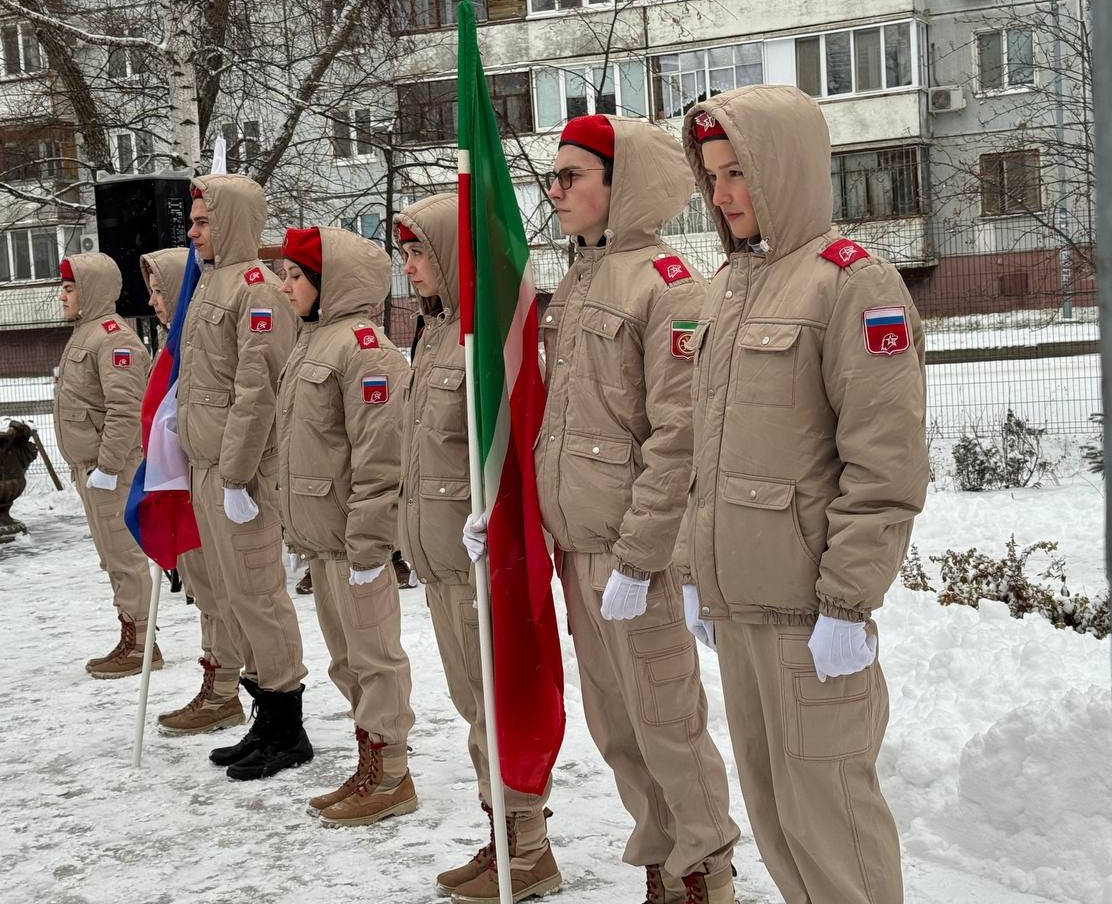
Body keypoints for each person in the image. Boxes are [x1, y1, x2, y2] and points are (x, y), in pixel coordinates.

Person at [470, 115, 741, 904]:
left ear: (622, 186)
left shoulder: (667, 285)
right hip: (580, 550)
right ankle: (664, 862)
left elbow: (677, 437)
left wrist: (640, 557)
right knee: (618, 727)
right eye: (552, 176)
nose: (554, 191)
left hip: (635, 557)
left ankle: (705, 870)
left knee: (667, 723)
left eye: (571, 176)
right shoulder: (582, 278)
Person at [678, 85, 927, 904]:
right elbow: (705, 453)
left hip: (809, 614)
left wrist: (848, 604)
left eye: (739, 173)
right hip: (740, 607)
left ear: (783, 168)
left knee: (833, 825)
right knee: (777, 818)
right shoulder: (726, 286)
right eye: (712, 175)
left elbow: (885, 464)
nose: (722, 194)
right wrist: (694, 572)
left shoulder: (852, 284)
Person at [396, 194, 563, 903]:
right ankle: (508, 837)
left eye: (420, 252)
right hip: (442, 562)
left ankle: (526, 849)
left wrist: (496, 519)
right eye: (404, 254)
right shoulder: (434, 334)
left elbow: (516, 444)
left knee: (498, 708)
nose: (409, 268)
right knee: (475, 707)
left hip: (482, 564)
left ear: (455, 255)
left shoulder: (486, 338)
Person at [277, 225, 417, 827]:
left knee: (374, 658)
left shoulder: (364, 349)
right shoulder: (313, 341)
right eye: (284, 274)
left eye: (295, 276)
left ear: (328, 281)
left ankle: (392, 773)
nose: (285, 286)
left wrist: (369, 543)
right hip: (324, 537)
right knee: (346, 661)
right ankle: (370, 760)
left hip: (354, 539)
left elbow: (380, 457)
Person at [177, 174, 310, 780]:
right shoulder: (213, 282)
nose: (193, 232)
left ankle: (287, 726)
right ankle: (265, 715)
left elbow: (258, 392)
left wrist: (234, 476)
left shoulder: (257, 290)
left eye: (204, 222)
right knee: (234, 598)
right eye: (192, 221)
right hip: (211, 468)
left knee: (259, 595)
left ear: (230, 222)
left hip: (245, 474)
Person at [139, 248, 246, 736]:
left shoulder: (194, 345)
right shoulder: (173, 348)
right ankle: (217, 680)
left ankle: (225, 688)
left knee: (220, 594)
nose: (154, 302)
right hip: (184, 483)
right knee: (205, 592)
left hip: (205, 480)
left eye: (162, 291)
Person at [53, 253, 158, 678]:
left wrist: (110, 467)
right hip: (93, 469)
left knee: (124, 555)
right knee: (111, 557)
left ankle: (142, 644)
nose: (62, 296)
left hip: (111, 470)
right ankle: (132, 634)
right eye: (63, 288)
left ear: (91, 290)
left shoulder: (114, 339)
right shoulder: (87, 334)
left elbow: (126, 408)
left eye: (69, 288)